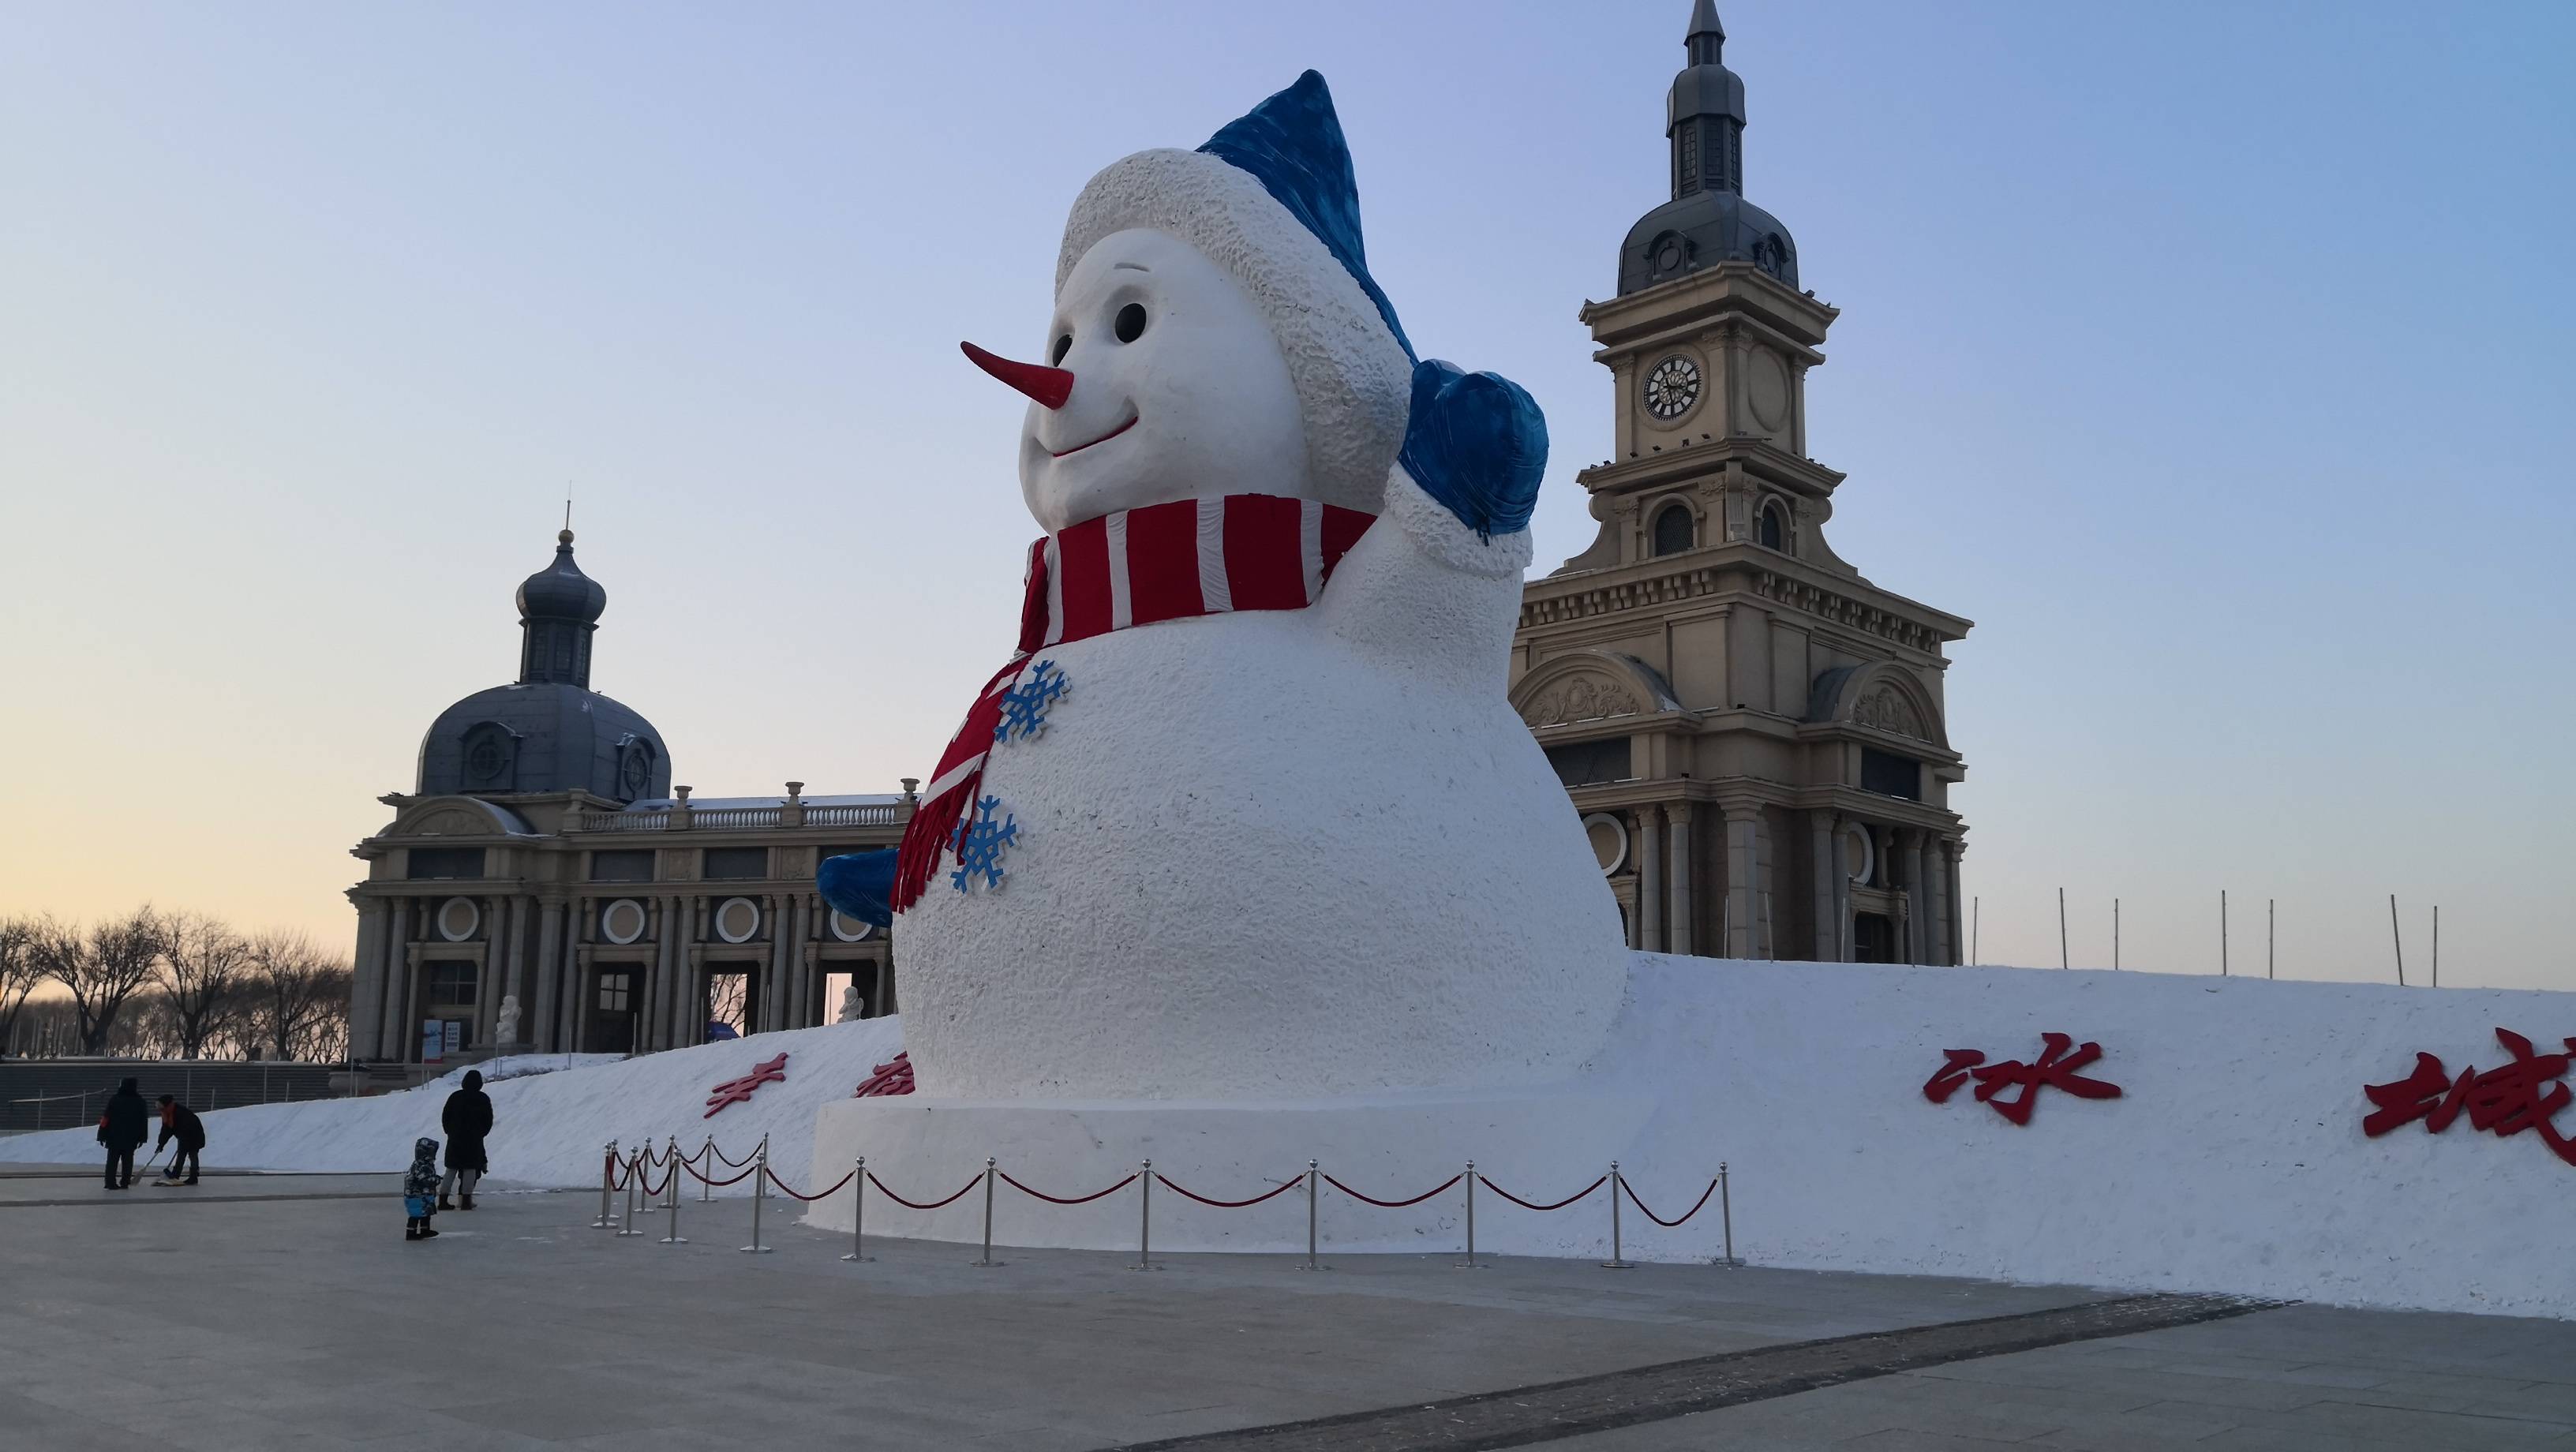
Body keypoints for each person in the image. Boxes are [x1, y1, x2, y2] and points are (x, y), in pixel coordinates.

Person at [438, 1068, 492, 1210]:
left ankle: (443, 1200)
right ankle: (466, 1201)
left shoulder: (455, 1096)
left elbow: (446, 1116)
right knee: (470, 1169)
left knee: (451, 1169)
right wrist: (481, 1133)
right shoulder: (483, 1099)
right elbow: (488, 1120)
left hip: (455, 1138)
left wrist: (450, 1131)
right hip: (473, 1140)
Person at [95, 1076, 148, 1190]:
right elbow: (143, 1121)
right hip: (131, 1137)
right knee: (128, 1160)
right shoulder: (140, 1102)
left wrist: (101, 1133)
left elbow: (106, 1117)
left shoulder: (115, 1099)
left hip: (113, 1135)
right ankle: (125, 1181)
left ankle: (110, 1182)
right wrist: (143, 1137)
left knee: (112, 1160)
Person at [154, 1095, 206, 1185]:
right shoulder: (167, 1113)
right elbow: (166, 1130)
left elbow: (187, 1127)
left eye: (161, 1108)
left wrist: (183, 1141)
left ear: (166, 1105)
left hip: (194, 1135)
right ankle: (176, 1175)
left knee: (191, 1154)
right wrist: (161, 1144)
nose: (160, 1110)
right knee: (183, 1155)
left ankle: (192, 1177)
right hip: (184, 1136)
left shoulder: (180, 1112)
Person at [403, 1137, 442, 1241]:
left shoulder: (426, 1164)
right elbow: (424, 1178)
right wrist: (435, 1179)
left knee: (426, 1214)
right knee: (415, 1215)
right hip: (416, 1196)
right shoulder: (420, 1166)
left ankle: (425, 1230)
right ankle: (411, 1233)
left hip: (425, 1195)